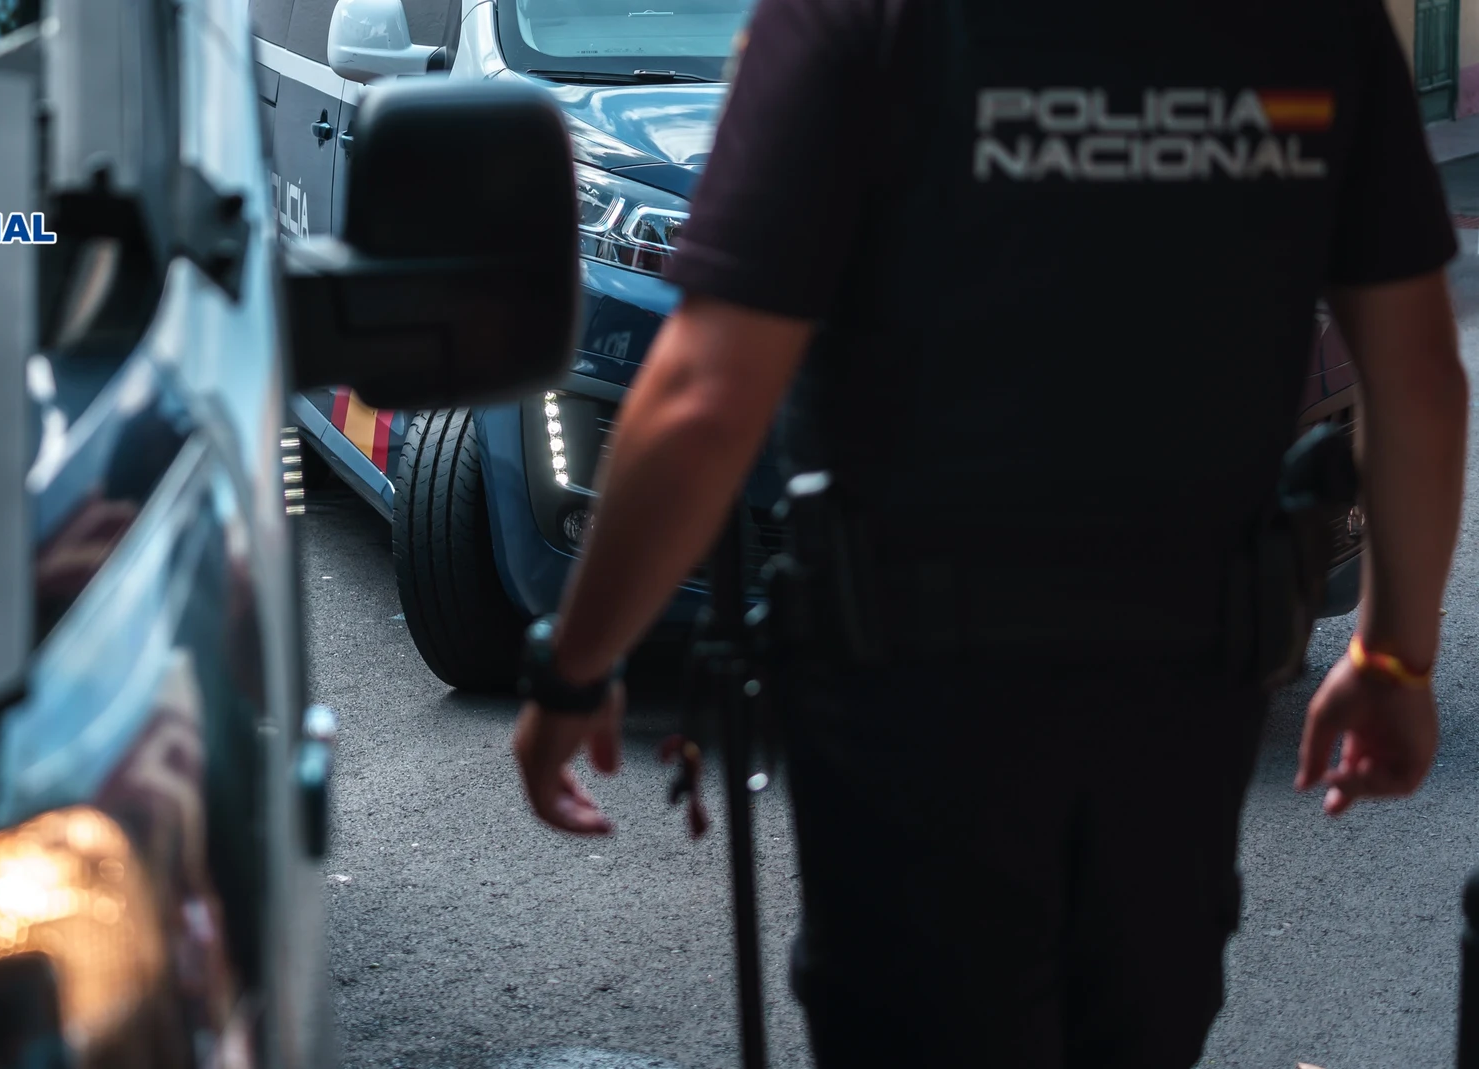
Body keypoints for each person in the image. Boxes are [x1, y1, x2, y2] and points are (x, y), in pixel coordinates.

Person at [507, 0, 1470, 1065]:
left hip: (911, 714)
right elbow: (1419, 379)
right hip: (1180, 695)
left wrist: (576, 663)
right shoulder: (1314, 29)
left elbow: (701, 400)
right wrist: (1392, 658)